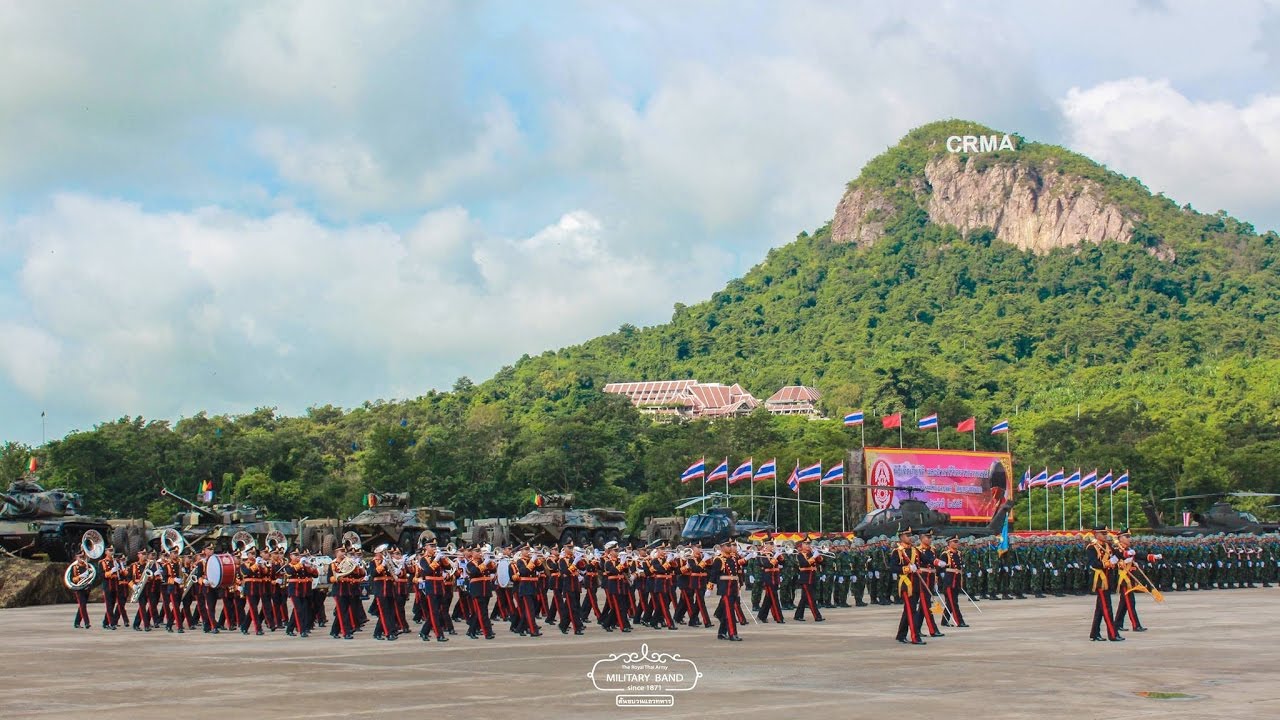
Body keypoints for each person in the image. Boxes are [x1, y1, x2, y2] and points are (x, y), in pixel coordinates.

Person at [891, 528, 925, 645]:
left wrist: (938, 562)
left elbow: (926, 560)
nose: (910, 537)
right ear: (901, 537)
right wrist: (907, 569)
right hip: (906, 585)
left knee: (908, 610)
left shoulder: (915, 550)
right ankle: (915, 637)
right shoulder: (897, 551)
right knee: (912, 611)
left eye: (910, 535)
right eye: (907, 535)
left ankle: (901, 635)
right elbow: (893, 567)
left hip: (915, 584)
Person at [1086, 533, 1123, 642]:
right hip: (1100, 581)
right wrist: (1107, 563)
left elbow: (1117, 555)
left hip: (1108, 579)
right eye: (1103, 534)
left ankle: (1094, 633)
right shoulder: (1092, 547)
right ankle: (1113, 634)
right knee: (1107, 608)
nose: (1106, 535)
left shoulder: (1108, 545)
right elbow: (1093, 563)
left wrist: (1123, 554)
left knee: (1100, 609)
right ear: (1097, 535)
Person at [709, 543, 743, 641]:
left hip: (733, 587)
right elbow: (713, 574)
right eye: (728, 546)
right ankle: (732, 633)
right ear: (722, 547)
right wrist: (709, 587)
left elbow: (740, 568)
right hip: (725, 588)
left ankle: (722, 632)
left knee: (725, 611)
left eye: (731, 546)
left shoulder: (733, 558)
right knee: (729, 612)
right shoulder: (719, 559)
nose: (730, 547)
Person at [283, 549, 317, 637]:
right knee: (299, 610)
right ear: (290, 556)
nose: (298, 556)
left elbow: (315, 575)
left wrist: (310, 566)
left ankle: (290, 628)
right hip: (294, 590)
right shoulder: (288, 565)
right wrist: (300, 564)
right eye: (295, 555)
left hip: (304, 591)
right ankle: (302, 630)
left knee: (301, 610)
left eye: (298, 555)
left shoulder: (303, 565)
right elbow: (290, 572)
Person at [939, 536, 968, 628]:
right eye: (954, 542)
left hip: (957, 580)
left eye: (957, 542)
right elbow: (940, 568)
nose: (957, 543)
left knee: (951, 602)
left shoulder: (959, 553)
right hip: (949, 580)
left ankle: (944, 621)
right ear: (949, 543)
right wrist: (941, 578)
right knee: (953, 602)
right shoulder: (945, 554)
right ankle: (959, 621)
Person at [792, 542, 824, 622]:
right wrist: (814, 556)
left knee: (804, 598)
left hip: (812, 578)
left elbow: (821, 562)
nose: (808, 546)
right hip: (805, 579)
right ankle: (817, 616)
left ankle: (798, 615)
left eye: (809, 544)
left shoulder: (811, 553)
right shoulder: (800, 555)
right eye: (806, 544)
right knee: (811, 598)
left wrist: (818, 555)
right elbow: (804, 564)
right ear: (802, 545)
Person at [67, 552, 92, 629]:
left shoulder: (87, 566)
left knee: (81, 606)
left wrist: (89, 573)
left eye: (82, 557)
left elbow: (92, 577)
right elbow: (73, 579)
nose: (82, 559)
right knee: (83, 605)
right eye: (80, 557)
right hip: (79, 589)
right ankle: (87, 622)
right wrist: (81, 576)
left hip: (86, 588)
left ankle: (77, 622)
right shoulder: (74, 567)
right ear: (76, 558)